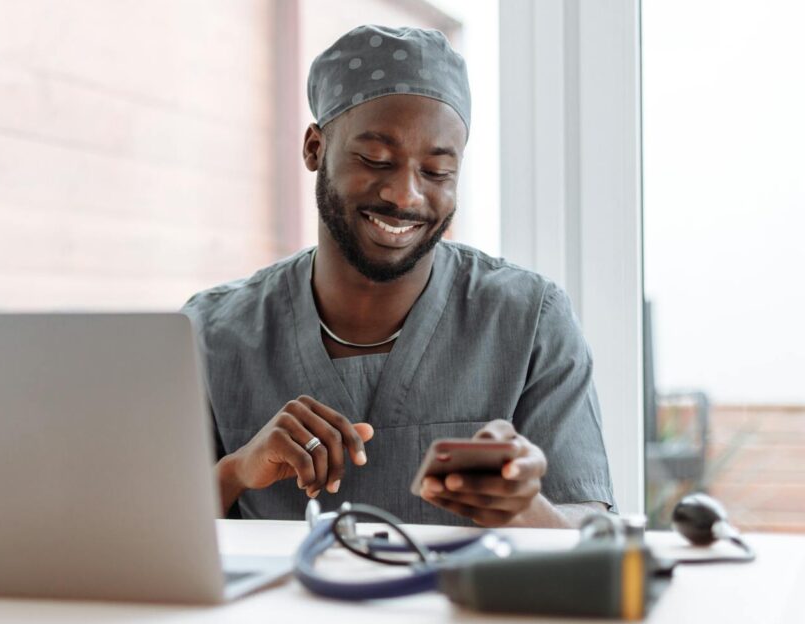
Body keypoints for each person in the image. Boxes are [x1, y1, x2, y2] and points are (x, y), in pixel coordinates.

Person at [182, 25, 614, 528]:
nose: (406, 196)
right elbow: (134, 532)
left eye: (436, 172)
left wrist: (524, 508)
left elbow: (588, 530)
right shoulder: (212, 333)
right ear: (315, 148)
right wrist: (236, 471)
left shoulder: (528, 319)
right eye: (375, 159)